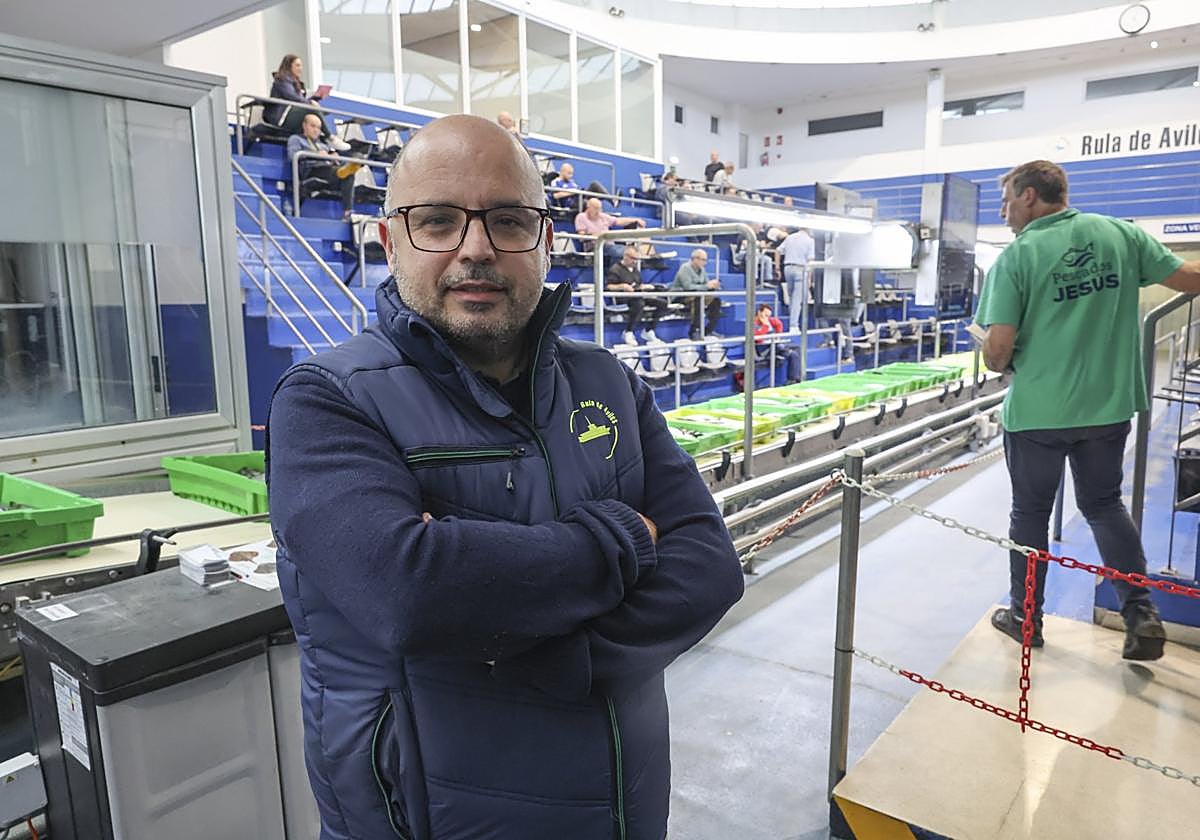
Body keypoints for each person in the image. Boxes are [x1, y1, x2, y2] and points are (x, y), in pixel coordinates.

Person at [266, 114, 742, 840]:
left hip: (624, 811)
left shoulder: (609, 384)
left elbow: (709, 567)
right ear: (391, 241)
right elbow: (409, 593)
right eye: (438, 221)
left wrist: (553, 653)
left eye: (509, 221)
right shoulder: (327, 401)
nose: (476, 248)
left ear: (546, 240)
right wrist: (625, 538)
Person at [975, 158, 1200, 661]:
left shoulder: (1017, 257)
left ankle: (1026, 618)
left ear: (1030, 196)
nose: (1005, 211)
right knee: (1103, 505)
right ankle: (1140, 612)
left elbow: (998, 351)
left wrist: (993, 353)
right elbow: (1189, 278)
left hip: (1038, 411)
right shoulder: (1121, 235)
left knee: (1029, 515)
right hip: (1107, 405)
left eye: (1008, 199)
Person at [286, 113, 354, 219]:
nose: (316, 130)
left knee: (349, 174)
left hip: (328, 170)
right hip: (310, 171)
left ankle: (347, 212)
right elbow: (292, 156)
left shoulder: (323, 145)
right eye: (313, 126)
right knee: (343, 172)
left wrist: (334, 159)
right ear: (304, 125)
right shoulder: (296, 139)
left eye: (318, 128)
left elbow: (328, 157)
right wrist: (316, 155)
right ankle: (343, 170)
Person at [606, 245, 667, 345]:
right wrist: (623, 286)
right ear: (625, 256)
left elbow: (638, 284)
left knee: (662, 303)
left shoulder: (635, 270)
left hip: (637, 294)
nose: (635, 261)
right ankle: (628, 332)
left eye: (636, 259)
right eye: (633, 258)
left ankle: (649, 330)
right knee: (639, 303)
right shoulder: (615, 269)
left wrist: (645, 287)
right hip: (623, 297)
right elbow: (609, 286)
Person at [265, 54, 326, 134]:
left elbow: (298, 100)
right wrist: (310, 103)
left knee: (320, 112)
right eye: (297, 65)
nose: (300, 69)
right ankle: (329, 136)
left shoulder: (296, 84)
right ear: (288, 66)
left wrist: (315, 98)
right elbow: (293, 97)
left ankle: (322, 137)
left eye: (301, 66)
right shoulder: (282, 80)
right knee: (314, 110)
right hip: (282, 116)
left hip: (292, 113)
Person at [671, 248, 722, 341]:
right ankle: (694, 330)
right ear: (695, 259)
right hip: (681, 295)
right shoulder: (685, 268)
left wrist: (713, 285)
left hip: (697, 294)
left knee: (716, 300)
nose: (705, 263)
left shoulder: (702, 270)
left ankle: (708, 330)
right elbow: (687, 287)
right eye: (703, 260)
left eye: (705, 260)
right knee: (699, 299)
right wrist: (706, 286)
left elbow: (706, 284)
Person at [575, 197, 646, 263]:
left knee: (630, 252)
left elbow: (618, 221)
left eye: (600, 209)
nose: (598, 211)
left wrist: (635, 219)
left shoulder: (602, 216)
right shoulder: (581, 217)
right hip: (595, 247)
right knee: (620, 253)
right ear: (588, 207)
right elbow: (582, 238)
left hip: (610, 245)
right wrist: (598, 235)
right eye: (596, 208)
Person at [776, 227, 815, 334]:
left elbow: (778, 251)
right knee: (797, 299)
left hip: (788, 268)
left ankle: (792, 321)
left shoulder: (790, 238)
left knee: (792, 297)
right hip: (801, 269)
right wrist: (809, 278)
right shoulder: (810, 241)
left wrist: (777, 268)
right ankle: (793, 325)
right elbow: (810, 261)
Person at [754, 303, 802, 383]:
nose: (768, 318)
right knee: (792, 354)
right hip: (764, 350)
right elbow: (759, 339)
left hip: (774, 346)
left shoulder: (769, 321)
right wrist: (765, 325)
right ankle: (792, 379)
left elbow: (778, 324)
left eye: (769, 316)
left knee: (797, 348)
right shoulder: (754, 324)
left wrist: (777, 335)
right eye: (765, 315)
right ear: (759, 313)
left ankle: (797, 375)